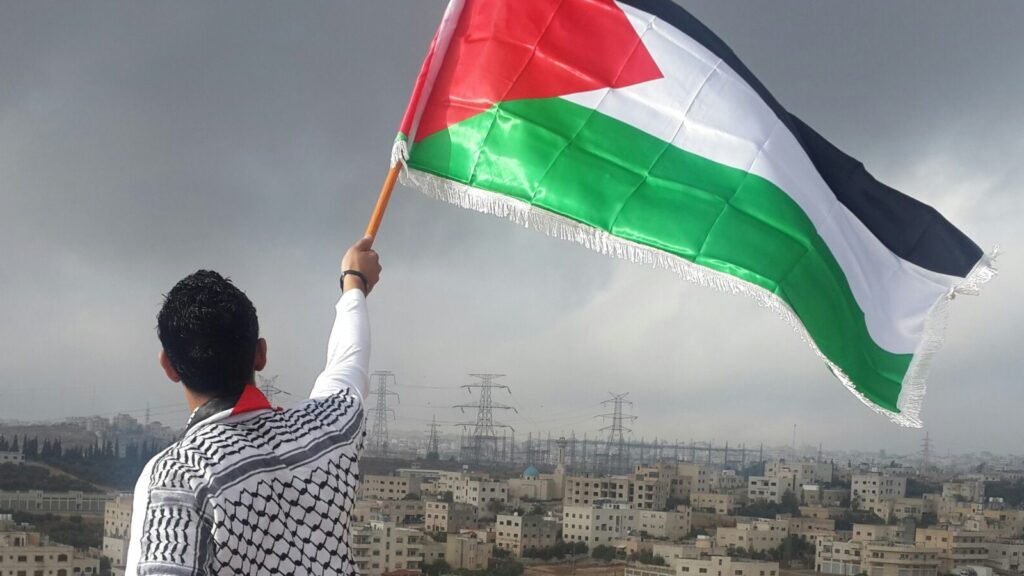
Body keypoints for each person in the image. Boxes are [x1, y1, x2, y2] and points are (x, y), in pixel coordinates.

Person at [125, 236, 382, 575]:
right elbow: (348, 361)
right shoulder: (328, 432)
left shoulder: (181, 476)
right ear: (260, 354)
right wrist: (354, 281)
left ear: (169, 366)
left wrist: (356, 285)